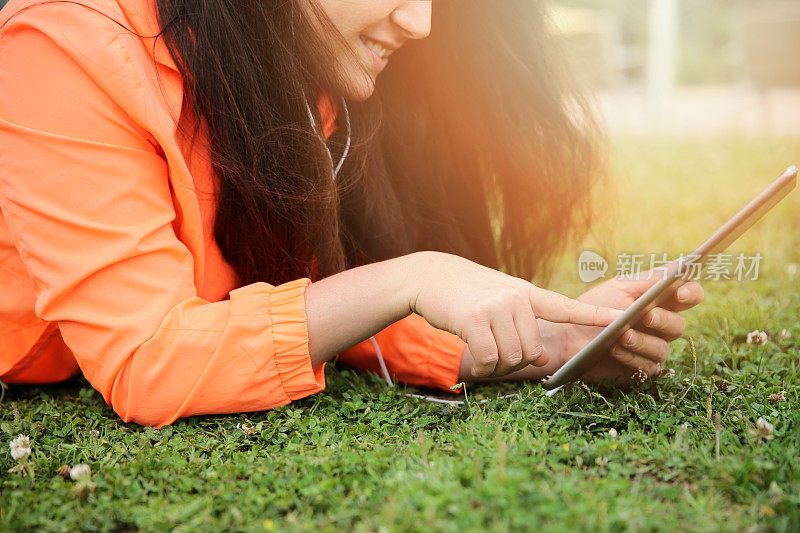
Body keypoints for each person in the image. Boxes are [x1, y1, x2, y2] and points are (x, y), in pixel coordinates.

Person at [0, 0, 703, 428]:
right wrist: (415, 274)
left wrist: (545, 345)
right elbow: (149, 359)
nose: (423, 22)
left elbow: (307, 306)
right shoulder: (60, 51)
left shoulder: (292, 77)